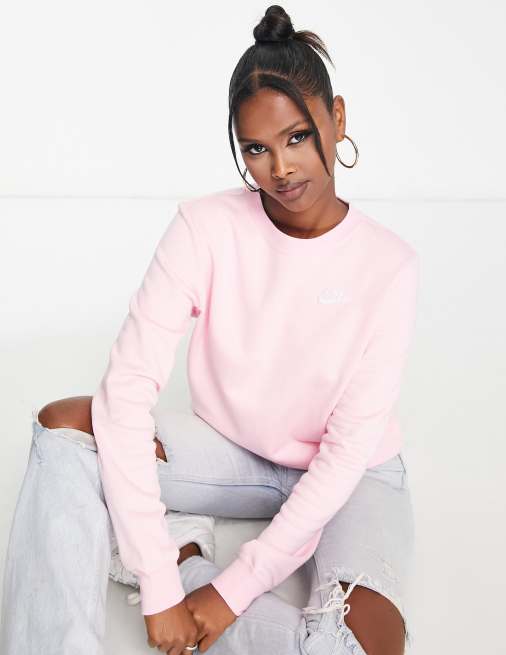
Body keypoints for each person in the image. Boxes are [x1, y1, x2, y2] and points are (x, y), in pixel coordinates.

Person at [0, 5, 419, 654]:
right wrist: (157, 587)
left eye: (297, 137)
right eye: (256, 148)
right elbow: (126, 390)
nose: (280, 168)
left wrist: (221, 591)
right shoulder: (204, 229)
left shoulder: (389, 266)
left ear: (336, 119)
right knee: (64, 430)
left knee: (362, 646)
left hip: (352, 475)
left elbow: (342, 457)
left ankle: (189, 557)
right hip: (233, 453)